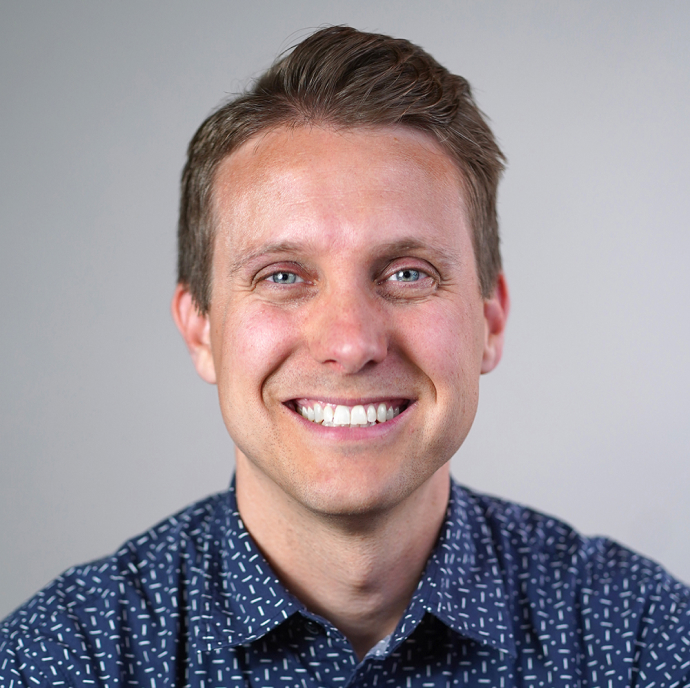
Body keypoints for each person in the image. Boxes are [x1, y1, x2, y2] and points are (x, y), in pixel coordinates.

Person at [1, 25, 689, 688]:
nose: (352, 343)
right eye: (283, 276)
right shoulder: (63, 659)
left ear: (490, 319)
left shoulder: (643, 643)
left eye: (408, 273)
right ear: (201, 329)